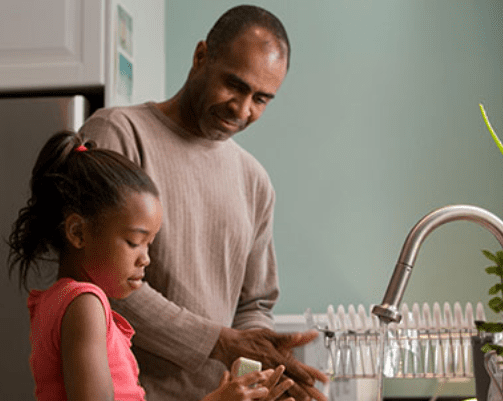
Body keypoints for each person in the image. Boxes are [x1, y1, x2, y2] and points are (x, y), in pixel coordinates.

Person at [79, 4, 328, 401]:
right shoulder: (118, 134)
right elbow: (97, 277)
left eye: (261, 99)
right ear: (200, 58)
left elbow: (255, 301)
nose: (242, 109)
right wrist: (220, 342)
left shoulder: (255, 181)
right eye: (235, 85)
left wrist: (261, 355)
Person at [7, 130, 295, 401]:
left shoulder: (57, 300)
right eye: (134, 242)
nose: (145, 258)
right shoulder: (84, 304)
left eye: (149, 244)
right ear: (78, 233)